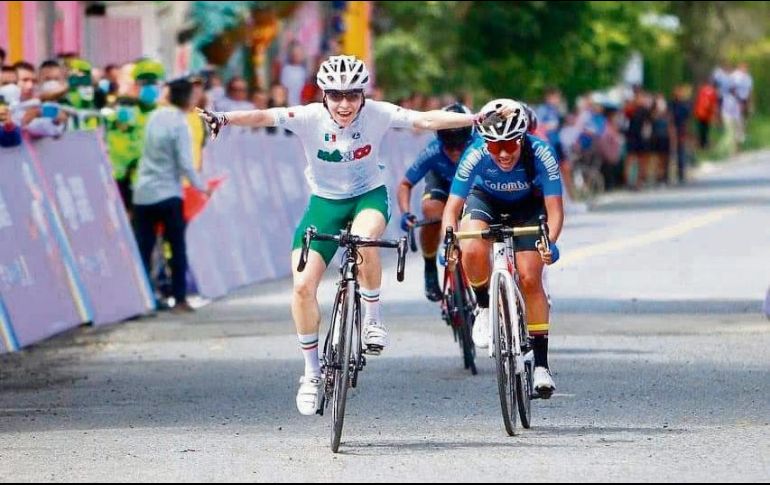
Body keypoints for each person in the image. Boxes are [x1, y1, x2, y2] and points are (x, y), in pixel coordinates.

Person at [198, 55, 497, 415]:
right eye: (336, 95)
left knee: (364, 240)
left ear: (362, 95)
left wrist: (474, 118)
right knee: (302, 286)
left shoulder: (378, 113)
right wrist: (224, 118)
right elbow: (265, 116)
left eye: (352, 96)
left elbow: (424, 119)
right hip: (324, 204)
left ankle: (372, 319)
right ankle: (311, 373)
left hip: (368, 195)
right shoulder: (309, 117)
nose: (344, 104)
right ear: (323, 94)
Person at [441, 99, 564, 397]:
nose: (505, 154)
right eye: (495, 148)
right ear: (485, 144)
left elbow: (555, 209)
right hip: (486, 200)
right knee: (470, 243)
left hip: (528, 206)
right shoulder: (474, 154)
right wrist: (450, 240)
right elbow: (452, 208)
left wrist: (552, 245)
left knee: (531, 277)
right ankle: (483, 306)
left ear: (522, 138)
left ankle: (541, 366)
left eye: (511, 145)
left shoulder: (541, 153)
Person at [132, 77, 213, 315]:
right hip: (168, 193)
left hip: (143, 193)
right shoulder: (181, 124)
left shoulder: (154, 117)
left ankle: (143, 300)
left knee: (144, 248)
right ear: (188, 98)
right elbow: (186, 163)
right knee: (176, 247)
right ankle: (179, 300)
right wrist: (202, 187)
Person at [397, 103, 477, 302]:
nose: (455, 151)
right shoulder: (432, 151)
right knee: (431, 213)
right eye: (449, 145)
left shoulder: (480, 146)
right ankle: (430, 265)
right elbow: (405, 184)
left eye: (460, 145)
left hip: (471, 187)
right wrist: (405, 212)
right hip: (441, 184)